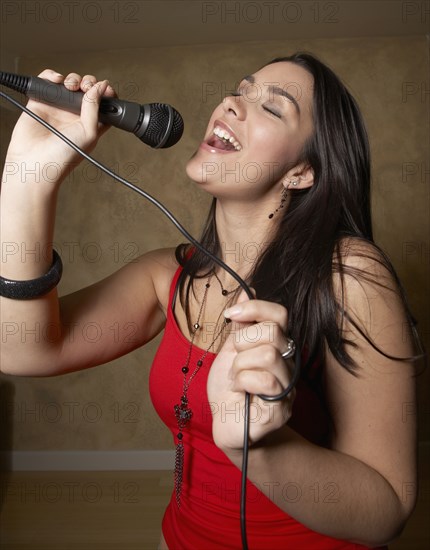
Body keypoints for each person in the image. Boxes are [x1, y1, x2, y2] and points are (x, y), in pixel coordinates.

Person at [0, 53, 421, 549]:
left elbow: (387, 508)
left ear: (302, 171)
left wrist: (259, 449)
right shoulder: (166, 275)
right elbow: (22, 351)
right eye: (241, 90)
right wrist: (28, 179)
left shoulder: (352, 275)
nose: (232, 103)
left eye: (272, 108)